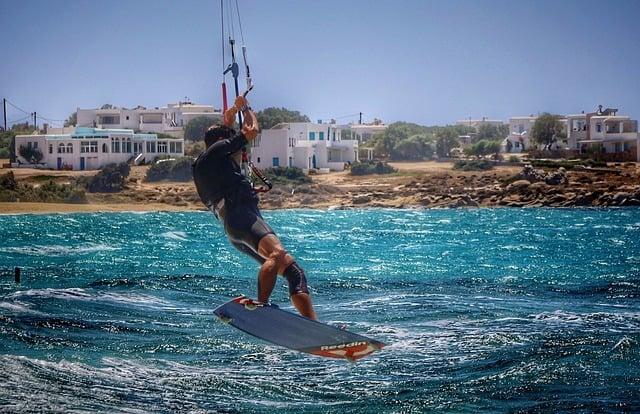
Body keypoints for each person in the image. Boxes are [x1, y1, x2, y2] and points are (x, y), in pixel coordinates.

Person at [193, 95, 317, 320]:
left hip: (234, 225)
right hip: (242, 217)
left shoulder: (207, 164)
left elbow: (226, 129)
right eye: (233, 144)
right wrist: (246, 108)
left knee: (294, 273)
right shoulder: (217, 151)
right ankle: (261, 306)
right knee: (277, 254)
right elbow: (251, 130)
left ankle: (313, 327)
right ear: (221, 141)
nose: (241, 151)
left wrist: (232, 112)